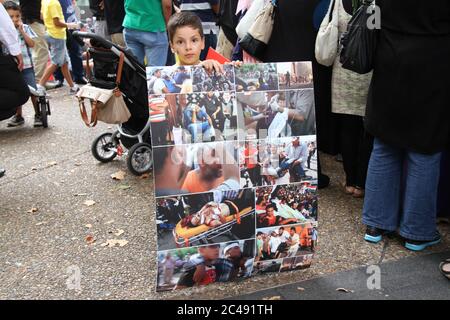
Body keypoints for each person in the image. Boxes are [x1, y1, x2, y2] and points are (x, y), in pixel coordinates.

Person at [362, 0, 450, 251]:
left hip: (390, 57)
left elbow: (374, 13)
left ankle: (376, 224)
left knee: (384, 142)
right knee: (425, 147)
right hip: (435, 61)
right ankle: (417, 232)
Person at [3, 1, 42, 128]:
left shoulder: (25, 27)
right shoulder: (3, 32)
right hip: (13, 68)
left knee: (33, 92)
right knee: (17, 90)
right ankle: (18, 115)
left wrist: (22, 32)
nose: (15, 19)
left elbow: (32, 44)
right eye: (11, 17)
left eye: (17, 16)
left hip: (27, 66)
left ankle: (38, 114)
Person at [37, 0, 79, 94]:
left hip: (52, 33)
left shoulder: (45, 1)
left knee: (64, 62)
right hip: (58, 35)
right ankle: (40, 85)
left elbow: (42, 16)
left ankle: (72, 86)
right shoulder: (54, 3)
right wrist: (70, 25)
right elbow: (57, 22)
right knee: (55, 62)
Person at [123, 0, 171, 66]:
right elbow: (167, 5)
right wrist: (167, 23)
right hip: (154, 26)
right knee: (154, 72)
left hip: (131, 24)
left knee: (133, 68)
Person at [54, 0, 86, 86]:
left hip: (72, 26)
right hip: (60, 27)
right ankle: (59, 78)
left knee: (76, 51)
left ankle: (79, 76)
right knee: (59, 54)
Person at [18, 0, 50, 85]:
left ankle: (39, 81)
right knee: (41, 50)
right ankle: (38, 82)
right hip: (32, 19)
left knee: (40, 50)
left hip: (36, 19)